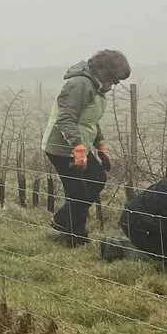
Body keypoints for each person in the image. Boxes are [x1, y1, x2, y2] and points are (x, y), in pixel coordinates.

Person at [42, 50, 130, 245]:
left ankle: (62, 220)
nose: (115, 85)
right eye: (115, 80)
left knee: (97, 178)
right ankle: (76, 238)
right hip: (62, 147)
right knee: (78, 193)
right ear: (105, 72)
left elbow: (90, 119)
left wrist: (101, 145)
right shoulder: (80, 84)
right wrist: (77, 147)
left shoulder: (96, 87)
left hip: (79, 145)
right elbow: (66, 118)